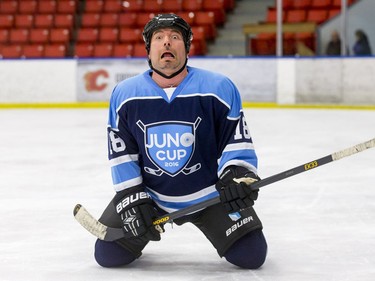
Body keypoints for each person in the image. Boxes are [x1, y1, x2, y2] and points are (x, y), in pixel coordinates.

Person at [94, 13, 268, 269]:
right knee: (108, 255)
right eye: (159, 38)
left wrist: (237, 175)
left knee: (251, 255)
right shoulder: (125, 94)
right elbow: (122, 151)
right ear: (149, 48)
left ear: (186, 48)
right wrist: (132, 196)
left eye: (175, 37)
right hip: (151, 196)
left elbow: (236, 139)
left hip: (209, 195)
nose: (167, 43)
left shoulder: (218, 87)